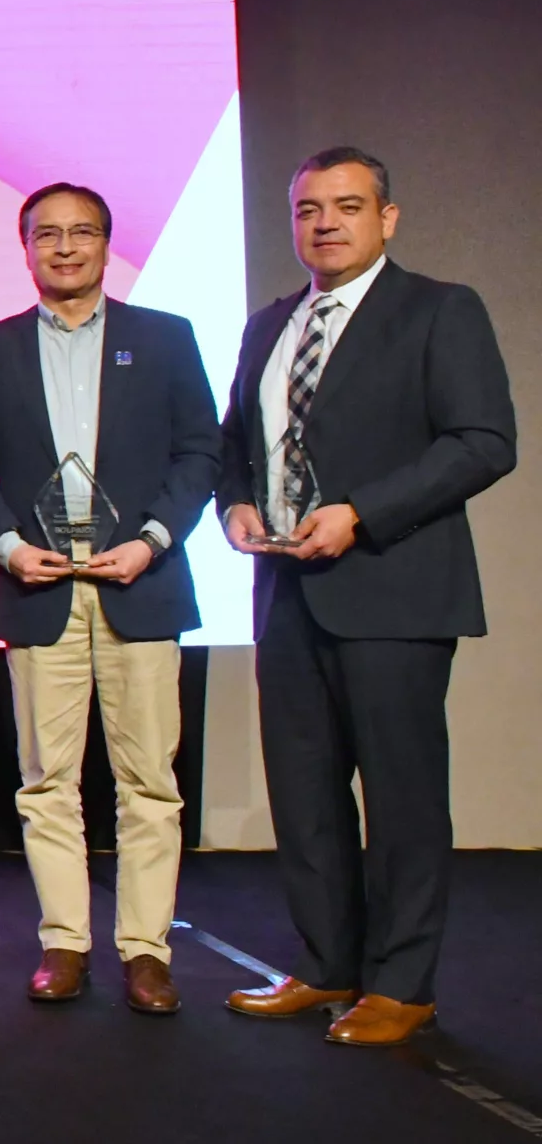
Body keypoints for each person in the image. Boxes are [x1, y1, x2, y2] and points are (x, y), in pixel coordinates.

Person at [215, 147, 513, 1047]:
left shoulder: (439, 309)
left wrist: (363, 514)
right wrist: (232, 503)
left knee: (403, 795)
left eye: (348, 206)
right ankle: (328, 963)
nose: (326, 223)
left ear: (388, 218)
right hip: (286, 592)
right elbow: (238, 444)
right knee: (304, 792)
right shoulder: (270, 324)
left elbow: (483, 441)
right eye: (309, 208)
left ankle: (402, 984)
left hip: (394, 590)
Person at [0, 185, 219, 1014]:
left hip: (139, 581)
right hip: (38, 588)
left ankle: (146, 951)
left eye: (82, 232)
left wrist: (153, 540)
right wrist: (6, 545)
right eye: (48, 234)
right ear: (25, 246)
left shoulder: (166, 338)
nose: (65, 247)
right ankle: (64, 944)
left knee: (150, 782)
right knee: (46, 782)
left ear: (107, 243)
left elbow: (201, 452)